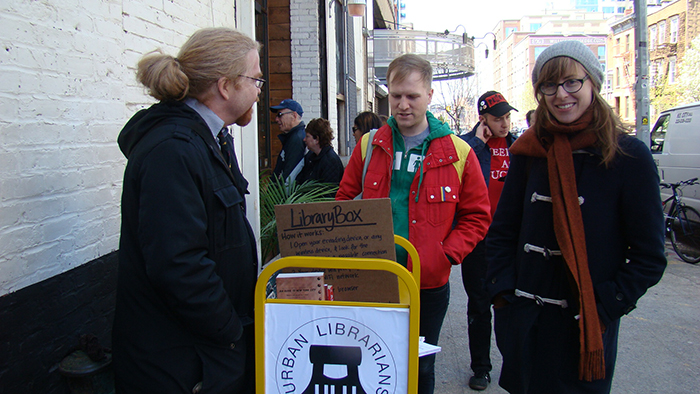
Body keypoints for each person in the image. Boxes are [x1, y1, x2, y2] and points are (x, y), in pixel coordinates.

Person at [486, 40, 667, 393]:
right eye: (549, 86)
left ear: (592, 83)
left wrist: (604, 306)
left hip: (585, 328)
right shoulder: (529, 150)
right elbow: (503, 232)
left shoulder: (628, 156)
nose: (561, 94)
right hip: (526, 324)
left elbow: (649, 256)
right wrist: (504, 298)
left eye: (572, 82)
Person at [113, 27, 261, 394]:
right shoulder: (174, 150)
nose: (260, 90)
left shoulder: (210, 139)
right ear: (225, 86)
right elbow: (178, 265)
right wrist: (230, 332)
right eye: (256, 79)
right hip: (182, 364)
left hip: (202, 354)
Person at [336, 54, 491, 394]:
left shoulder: (459, 152)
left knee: (420, 369)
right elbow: (343, 202)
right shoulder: (368, 145)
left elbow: (477, 216)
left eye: (412, 96)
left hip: (428, 285)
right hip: (371, 280)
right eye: (395, 96)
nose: (402, 105)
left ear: (430, 96)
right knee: (370, 361)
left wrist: (444, 254)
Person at [459, 90, 518, 391]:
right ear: (483, 119)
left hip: (510, 241)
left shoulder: (519, 146)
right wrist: (479, 144)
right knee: (479, 305)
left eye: (507, 117)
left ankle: (516, 364)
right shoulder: (469, 147)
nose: (505, 123)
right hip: (478, 240)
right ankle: (480, 366)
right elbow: (458, 173)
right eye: (498, 118)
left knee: (509, 303)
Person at [296, 118, 344, 185]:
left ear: (317, 139)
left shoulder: (330, 161)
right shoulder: (311, 156)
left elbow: (329, 190)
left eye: (307, 136)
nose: (304, 139)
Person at [270, 99, 306, 182]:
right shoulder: (294, 137)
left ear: (294, 115)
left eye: (280, 115)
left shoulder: (297, 139)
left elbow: (289, 177)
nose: (276, 119)